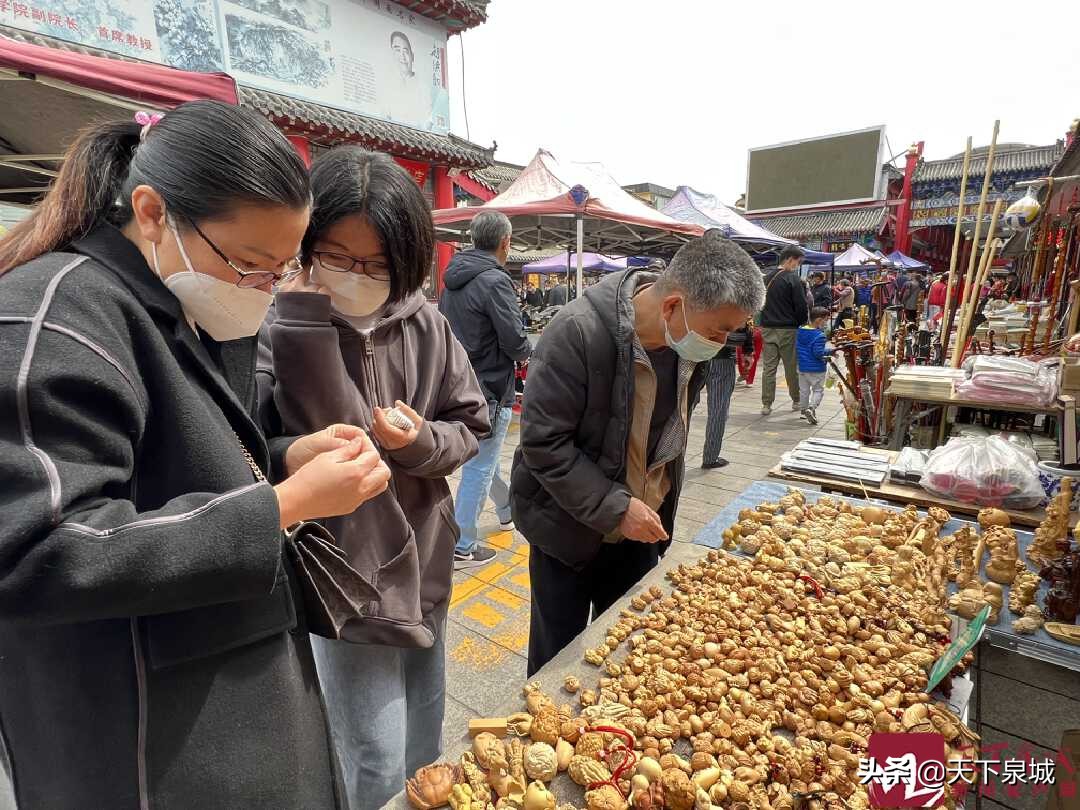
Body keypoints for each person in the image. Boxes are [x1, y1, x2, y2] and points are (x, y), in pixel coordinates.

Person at [0, 101, 395, 808]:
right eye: (248, 263)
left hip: (225, 673)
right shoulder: (56, 313)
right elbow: (39, 549)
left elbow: (183, 463)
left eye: (277, 271)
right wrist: (287, 504)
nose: (261, 291)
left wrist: (283, 457)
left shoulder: (173, 297)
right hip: (142, 731)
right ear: (152, 213)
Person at [258, 148, 489, 809]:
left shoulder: (427, 324)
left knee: (426, 730)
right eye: (336, 254)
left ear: (406, 260)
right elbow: (251, 445)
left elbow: (471, 425)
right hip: (344, 576)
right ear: (305, 243)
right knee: (373, 751)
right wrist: (293, 455)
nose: (356, 275)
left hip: (425, 558)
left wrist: (420, 442)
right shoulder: (276, 324)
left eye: (377, 263)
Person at [512, 231, 765, 674]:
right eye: (719, 330)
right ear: (672, 306)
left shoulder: (688, 344)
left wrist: (651, 504)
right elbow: (543, 443)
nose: (722, 343)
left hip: (640, 530)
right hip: (566, 529)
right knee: (557, 660)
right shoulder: (576, 333)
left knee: (630, 654)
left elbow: (667, 431)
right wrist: (615, 507)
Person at [439, 211, 532, 568]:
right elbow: (514, 341)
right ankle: (462, 543)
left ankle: (507, 508)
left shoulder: (452, 280)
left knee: (482, 460)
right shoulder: (495, 280)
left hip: (459, 383)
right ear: (505, 242)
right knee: (480, 466)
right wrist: (530, 352)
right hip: (491, 386)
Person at [759, 245, 809, 415]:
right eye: (798, 261)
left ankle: (766, 404)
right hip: (787, 329)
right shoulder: (792, 279)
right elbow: (801, 306)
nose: (797, 265)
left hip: (767, 327)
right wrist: (802, 322)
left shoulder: (766, 277)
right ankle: (796, 400)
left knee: (769, 368)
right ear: (790, 259)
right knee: (790, 367)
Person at [701, 321, 754, 469]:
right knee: (718, 411)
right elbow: (741, 333)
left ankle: (670, 461)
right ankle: (710, 457)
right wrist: (747, 350)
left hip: (694, 355)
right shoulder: (734, 301)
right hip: (720, 359)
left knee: (683, 409)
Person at [798, 306, 834, 425]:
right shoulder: (819, 335)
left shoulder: (801, 331)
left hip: (803, 367)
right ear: (818, 320)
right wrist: (830, 351)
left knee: (804, 390)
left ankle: (804, 410)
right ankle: (811, 408)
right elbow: (818, 353)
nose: (826, 323)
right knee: (818, 390)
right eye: (825, 320)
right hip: (816, 368)